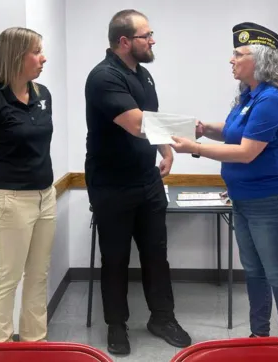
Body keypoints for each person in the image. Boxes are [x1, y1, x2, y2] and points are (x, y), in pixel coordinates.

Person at [171, 22, 278, 341]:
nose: (231, 60)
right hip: (245, 197)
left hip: (275, 198)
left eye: (238, 53)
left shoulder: (272, 99)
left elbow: (246, 152)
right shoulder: (250, 95)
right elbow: (236, 133)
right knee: (255, 271)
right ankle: (259, 336)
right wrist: (206, 129)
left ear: (260, 61)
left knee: (277, 272)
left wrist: (195, 148)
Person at [84, 9, 191, 356]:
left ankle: (162, 317)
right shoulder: (103, 77)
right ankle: (116, 324)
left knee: (156, 254)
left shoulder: (143, 76)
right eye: (147, 35)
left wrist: (166, 150)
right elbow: (135, 123)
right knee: (114, 257)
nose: (153, 40)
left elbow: (153, 119)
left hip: (146, 181)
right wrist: (190, 134)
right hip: (111, 184)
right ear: (124, 41)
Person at [0, 27, 56, 344]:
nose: (43, 58)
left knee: (38, 275)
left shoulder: (42, 94)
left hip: (46, 197)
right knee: (9, 277)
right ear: (16, 56)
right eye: (36, 51)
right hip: (10, 200)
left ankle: (36, 343)